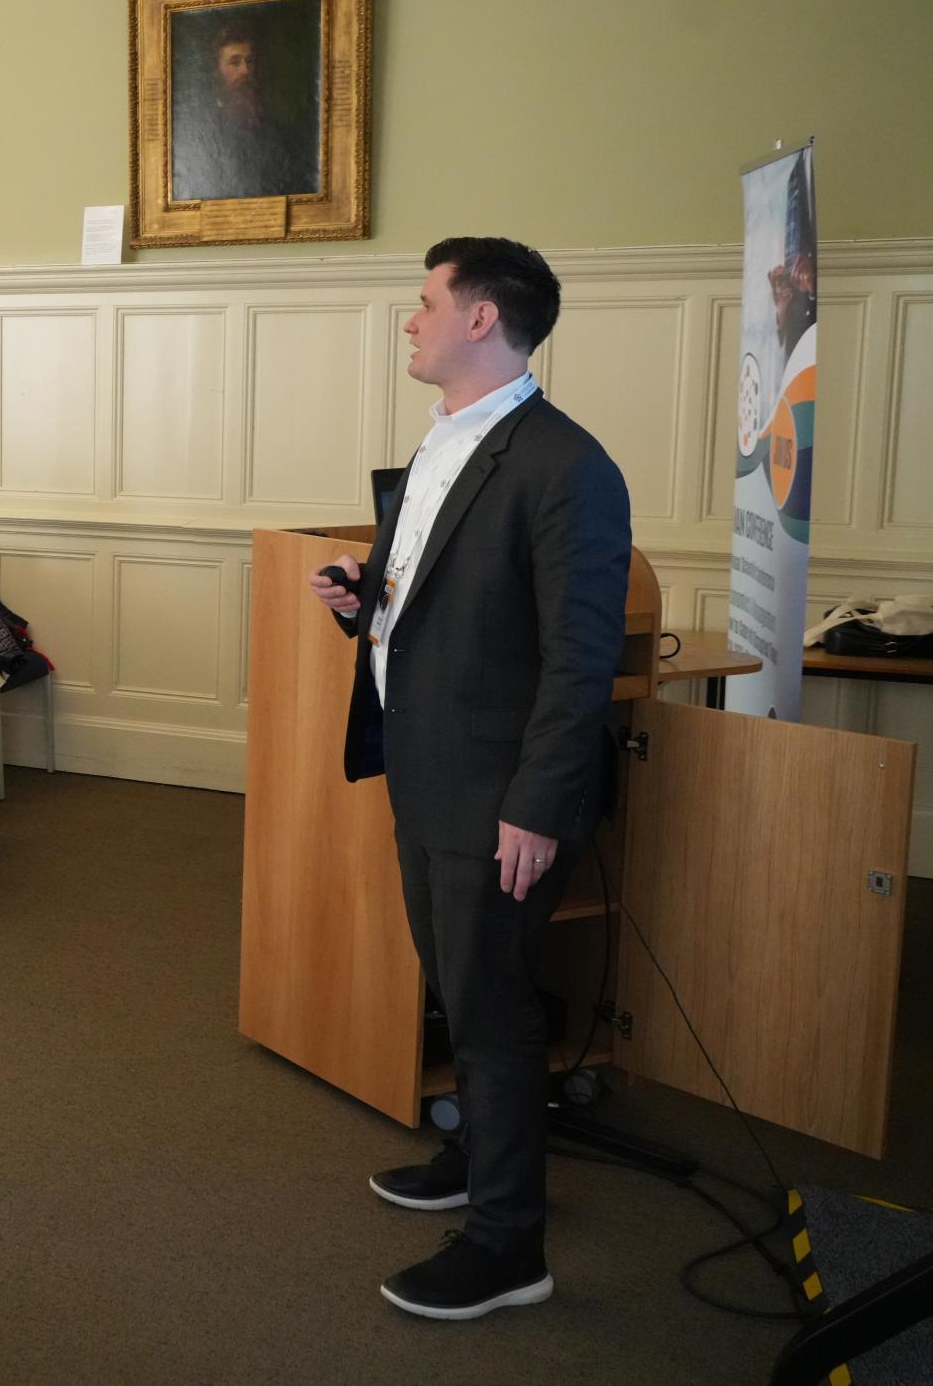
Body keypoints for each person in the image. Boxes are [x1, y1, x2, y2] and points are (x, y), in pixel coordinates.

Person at [308, 237, 631, 1322]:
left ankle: (507, 1246)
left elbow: (581, 658)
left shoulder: (567, 466)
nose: (411, 320)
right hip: (426, 773)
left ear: (482, 318)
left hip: (499, 798)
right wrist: (364, 597)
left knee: (492, 1013)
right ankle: (477, 1162)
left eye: (425, 302)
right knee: (455, 986)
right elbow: (442, 600)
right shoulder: (447, 439)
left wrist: (537, 807)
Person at [170, 14, 318, 202]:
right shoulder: (201, 133)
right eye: (235, 62)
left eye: (250, 61)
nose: (245, 71)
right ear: (217, 71)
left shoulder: (280, 133)